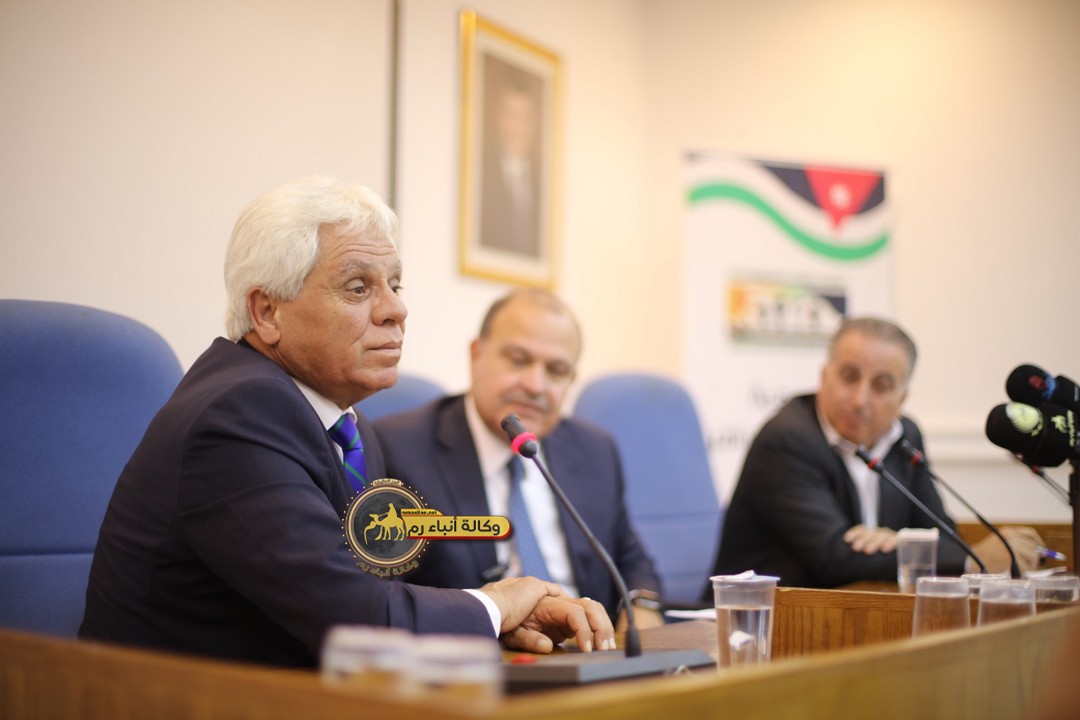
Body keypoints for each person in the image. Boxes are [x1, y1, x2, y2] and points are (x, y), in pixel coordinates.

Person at [79, 176, 614, 667]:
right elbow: (355, 617)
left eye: (395, 285)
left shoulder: (351, 431)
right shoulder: (237, 416)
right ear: (267, 312)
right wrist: (496, 605)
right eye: (358, 287)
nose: (395, 310)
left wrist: (501, 624)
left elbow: (373, 600)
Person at [375, 289, 665, 630]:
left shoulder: (594, 450)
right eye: (518, 360)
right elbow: (384, 597)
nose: (535, 385)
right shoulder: (397, 450)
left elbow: (630, 557)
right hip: (478, 650)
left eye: (556, 370)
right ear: (476, 355)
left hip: (589, 648)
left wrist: (641, 608)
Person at [711, 317, 1043, 589]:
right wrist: (969, 559)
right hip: (753, 624)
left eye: (881, 386)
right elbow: (834, 558)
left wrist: (898, 542)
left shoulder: (904, 437)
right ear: (824, 377)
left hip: (854, 616)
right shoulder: (787, 440)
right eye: (849, 377)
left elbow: (942, 534)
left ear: (902, 399)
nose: (859, 400)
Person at [480, 67, 542, 258]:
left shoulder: (542, 185)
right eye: (511, 115)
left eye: (525, 117)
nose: (518, 127)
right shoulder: (482, 176)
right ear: (499, 118)